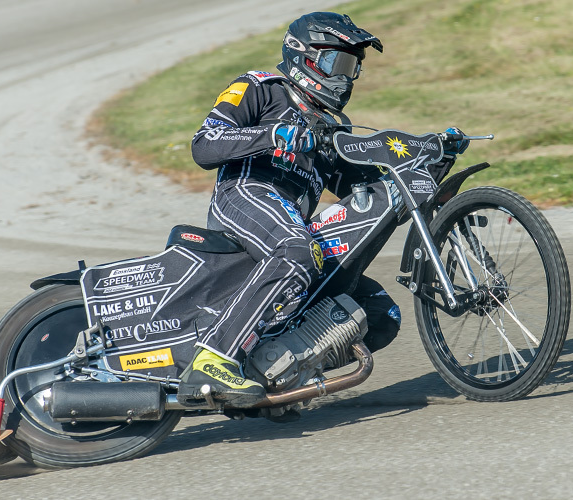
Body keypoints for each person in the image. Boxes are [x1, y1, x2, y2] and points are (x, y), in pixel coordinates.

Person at [178, 12, 466, 407]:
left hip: (292, 224)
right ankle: (213, 359)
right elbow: (204, 144)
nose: (346, 77)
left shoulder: (330, 129)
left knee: (380, 315)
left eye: (353, 67)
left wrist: (426, 169)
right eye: (338, 63)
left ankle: (278, 379)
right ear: (305, 55)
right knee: (298, 251)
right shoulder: (260, 87)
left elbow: (360, 192)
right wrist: (275, 134)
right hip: (245, 196)